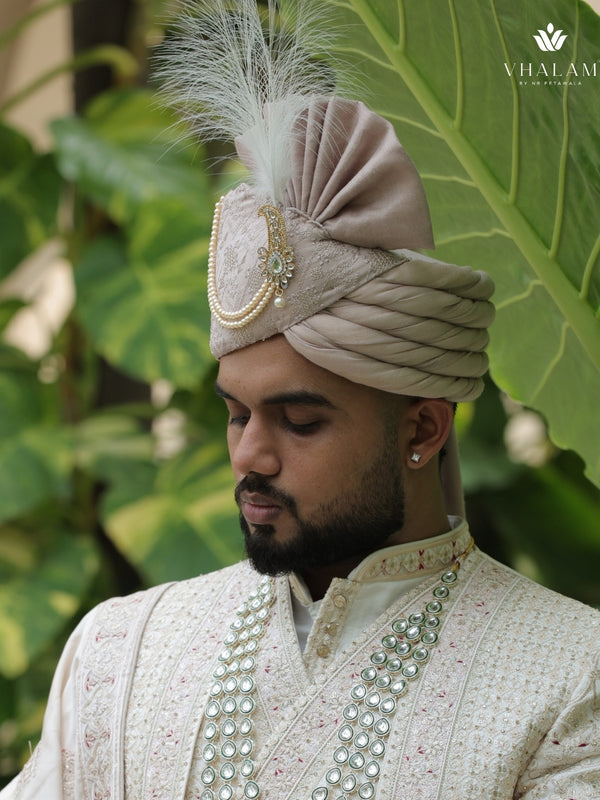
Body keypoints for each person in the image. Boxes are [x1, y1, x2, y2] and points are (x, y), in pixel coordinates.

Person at [2, 2, 599, 798]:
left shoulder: (571, 678)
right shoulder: (119, 652)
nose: (249, 455)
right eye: (235, 413)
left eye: (300, 420)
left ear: (423, 427)